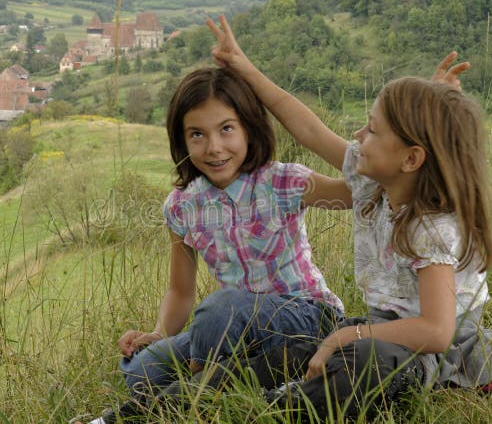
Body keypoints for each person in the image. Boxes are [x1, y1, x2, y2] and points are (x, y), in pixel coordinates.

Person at [161, 15, 492, 420]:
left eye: (371, 130)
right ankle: (164, 404)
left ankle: (265, 409)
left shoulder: (431, 229)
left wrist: (346, 335)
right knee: (285, 356)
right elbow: (308, 129)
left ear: (411, 158)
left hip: (422, 352)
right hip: (378, 330)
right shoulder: (375, 184)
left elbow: (436, 332)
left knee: (360, 363)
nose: (357, 136)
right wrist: (243, 65)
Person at [78, 66, 352, 424]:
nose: (213, 148)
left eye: (226, 129)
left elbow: (353, 191)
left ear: (249, 129)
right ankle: (230, 381)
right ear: (181, 140)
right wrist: (159, 334)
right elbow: (180, 291)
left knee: (222, 306)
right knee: (141, 371)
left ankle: (193, 399)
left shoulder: (282, 182)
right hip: (231, 332)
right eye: (197, 135)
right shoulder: (181, 207)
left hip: (306, 317)